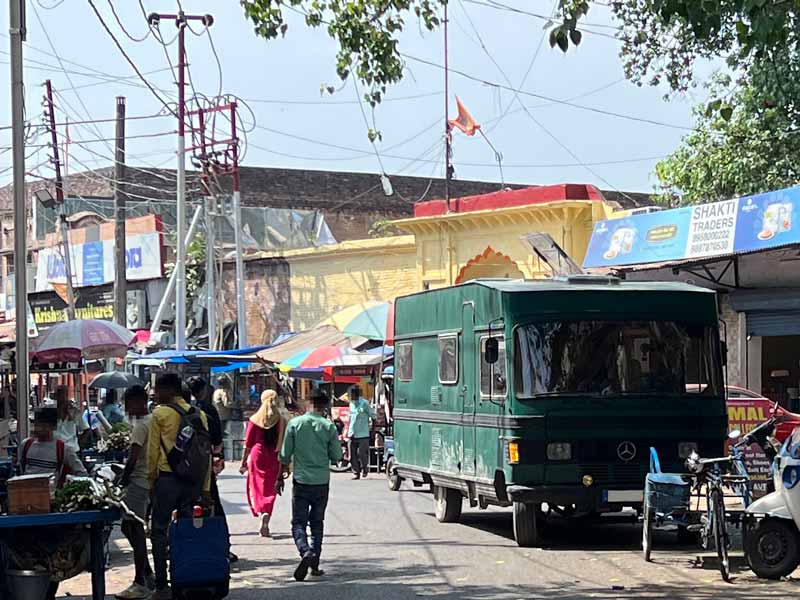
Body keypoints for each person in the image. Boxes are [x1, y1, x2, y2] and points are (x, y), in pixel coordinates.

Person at [147, 373, 211, 600]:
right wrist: (205, 487)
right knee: (185, 531)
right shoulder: (199, 414)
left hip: (167, 479)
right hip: (192, 482)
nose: (154, 394)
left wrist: (151, 481)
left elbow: (152, 451)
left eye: (157, 389)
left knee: (159, 531)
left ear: (167, 390)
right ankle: (184, 577)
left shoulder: (160, 414)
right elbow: (206, 453)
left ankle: (162, 585)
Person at [278, 389, 342, 581]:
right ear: (324, 405)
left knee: (298, 522)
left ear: (308, 402)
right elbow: (337, 456)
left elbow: (284, 454)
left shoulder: (295, 424)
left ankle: (305, 551)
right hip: (322, 481)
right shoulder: (328, 426)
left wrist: (280, 475)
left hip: (301, 480)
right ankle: (314, 564)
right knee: (317, 522)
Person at [187, 377, 238, 563]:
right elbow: (217, 440)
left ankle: (181, 546)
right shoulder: (206, 410)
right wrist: (217, 456)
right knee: (213, 507)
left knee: (181, 508)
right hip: (203, 468)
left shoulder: (177, 412)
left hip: (179, 471)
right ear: (203, 391)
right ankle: (223, 548)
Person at [115, 386, 154, 600]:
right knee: (128, 527)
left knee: (135, 528)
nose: (127, 408)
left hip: (138, 482)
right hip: (146, 480)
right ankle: (146, 571)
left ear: (139, 402)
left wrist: (123, 479)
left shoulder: (142, 425)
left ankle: (141, 581)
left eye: (128, 404)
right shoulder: (151, 421)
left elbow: (133, 457)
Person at [240, 389, 286, 537]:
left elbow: (248, 444)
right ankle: (267, 512)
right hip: (274, 456)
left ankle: (261, 511)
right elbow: (283, 443)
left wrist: (242, 463)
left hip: (257, 455)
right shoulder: (281, 420)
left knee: (257, 486)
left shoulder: (254, 419)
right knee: (270, 488)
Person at [19, 406, 87, 480]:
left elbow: (81, 472)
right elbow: (20, 469)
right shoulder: (26, 445)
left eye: (43, 425)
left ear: (53, 427)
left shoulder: (62, 449)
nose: (38, 428)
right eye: (36, 424)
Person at [347, 386, 376, 480]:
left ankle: (364, 468)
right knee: (352, 455)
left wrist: (373, 430)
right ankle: (356, 472)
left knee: (361, 453)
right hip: (352, 433)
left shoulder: (364, 403)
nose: (351, 397)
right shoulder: (351, 404)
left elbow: (373, 416)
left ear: (356, 394)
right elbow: (350, 418)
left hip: (363, 433)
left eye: (352, 395)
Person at [54, 386, 90, 452]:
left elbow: (86, 429)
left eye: (63, 395)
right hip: (54, 450)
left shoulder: (75, 412)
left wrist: (79, 441)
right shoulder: (49, 412)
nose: (61, 398)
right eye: (58, 395)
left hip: (71, 448)